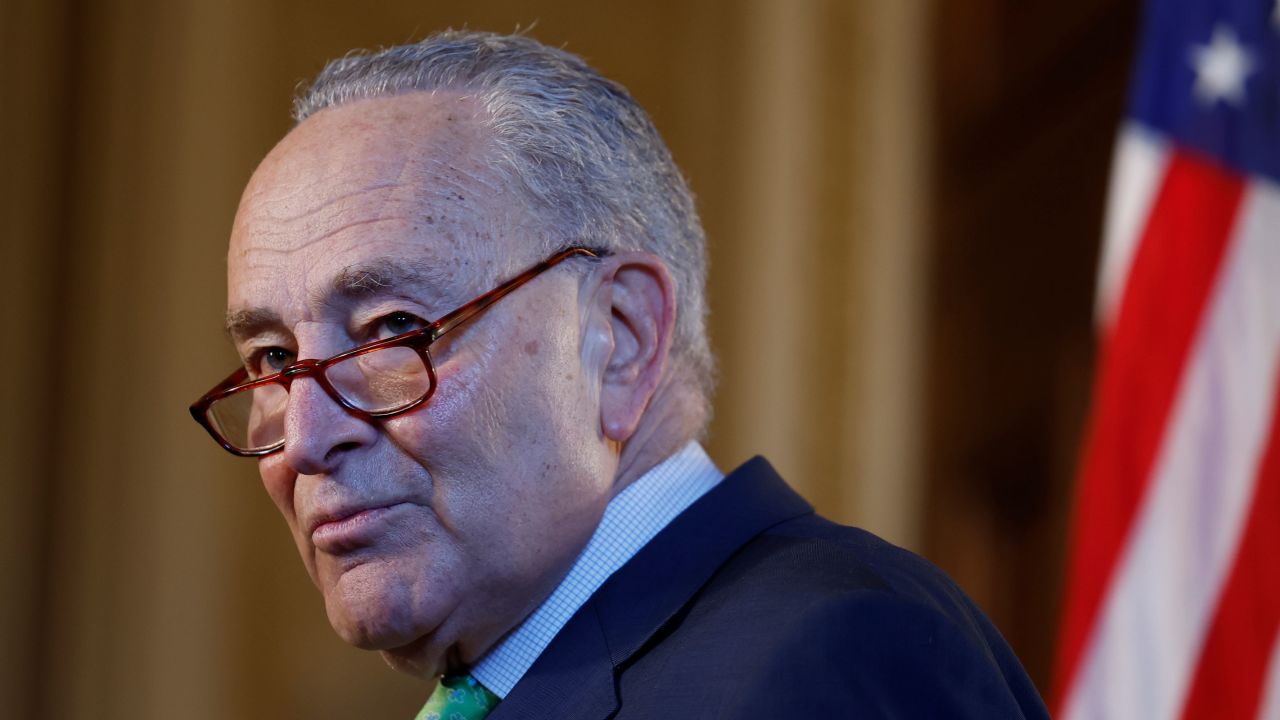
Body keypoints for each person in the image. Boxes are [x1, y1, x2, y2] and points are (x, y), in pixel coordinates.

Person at [190, 30, 1048, 719]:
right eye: (271, 360)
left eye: (393, 330)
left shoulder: (825, 661)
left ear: (621, 337)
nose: (301, 440)